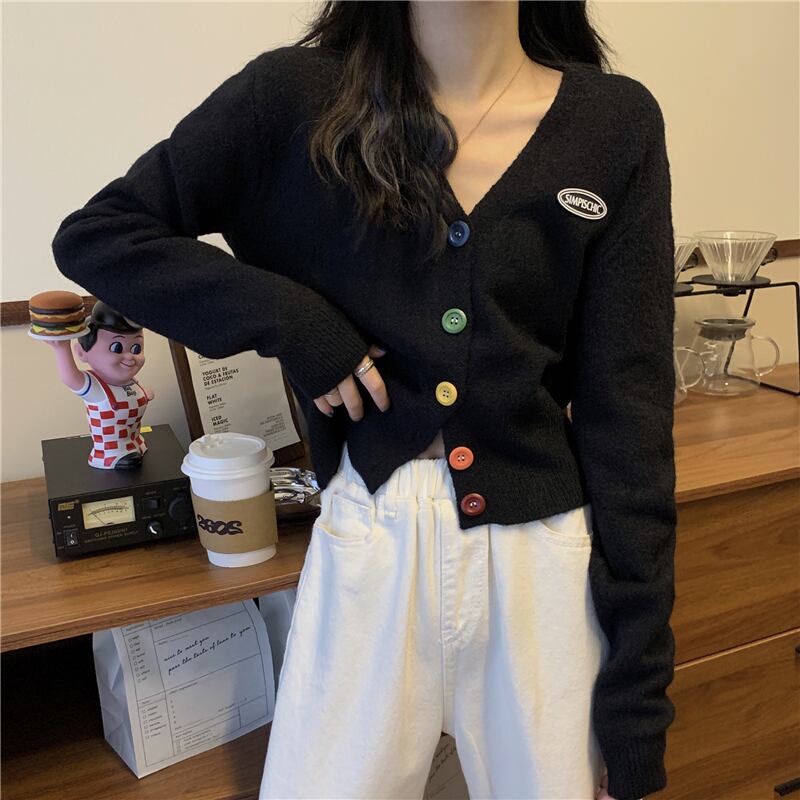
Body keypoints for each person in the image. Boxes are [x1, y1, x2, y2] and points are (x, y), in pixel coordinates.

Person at [51, 2, 677, 799]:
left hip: (544, 562)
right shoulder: (294, 98)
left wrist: (637, 707)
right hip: (369, 539)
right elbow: (102, 234)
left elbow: (631, 419)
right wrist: (294, 323)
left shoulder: (614, 123)